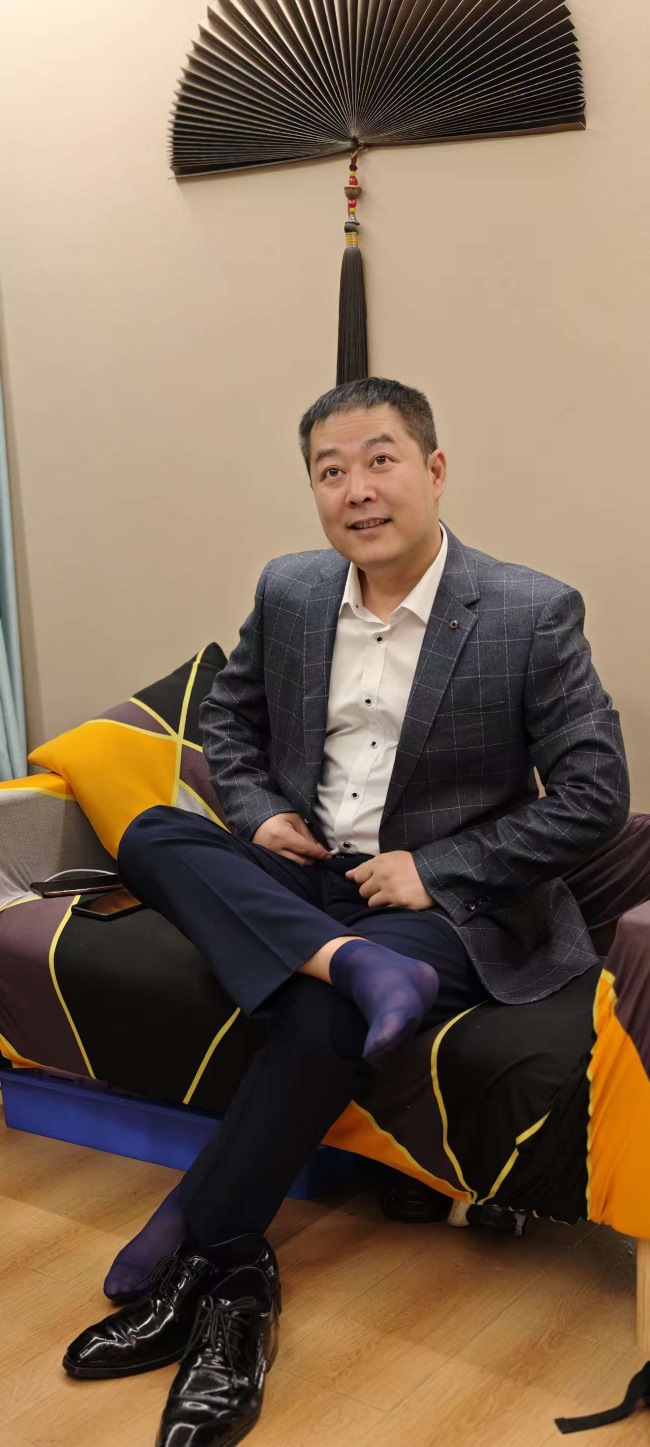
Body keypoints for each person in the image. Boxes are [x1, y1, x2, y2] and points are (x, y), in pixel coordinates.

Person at [63, 378, 629, 1446]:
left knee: (320, 1013)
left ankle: (218, 1262)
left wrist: (436, 867)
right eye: (331, 471)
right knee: (154, 832)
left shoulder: (528, 609)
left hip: (438, 906)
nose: (356, 489)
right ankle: (346, 960)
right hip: (305, 871)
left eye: (379, 460)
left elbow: (596, 793)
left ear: (433, 470)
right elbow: (228, 727)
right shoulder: (290, 588)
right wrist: (261, 812)